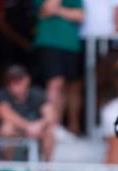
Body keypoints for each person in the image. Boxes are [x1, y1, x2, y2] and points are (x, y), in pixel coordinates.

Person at [33, 0, 84, 135]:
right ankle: (53, 126)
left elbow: (81, 15)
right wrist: (66, 11)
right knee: (55, 82)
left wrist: (59, 11)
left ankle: (71, 126)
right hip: (50, 42)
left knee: (72, 86)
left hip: (72, 45)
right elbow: (47, 8)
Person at [0, 65, 57, 161]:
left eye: (18, 81)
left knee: (50, 130)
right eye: (11, 81)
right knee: (7, 127)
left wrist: (39, 125)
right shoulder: (3, 94)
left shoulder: (37, 94)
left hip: (37, 131)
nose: (14, 85)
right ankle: (7, 169)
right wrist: (27, 126)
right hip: (17, 131)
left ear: (27, 80)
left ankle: (47, 169)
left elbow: (50, 115)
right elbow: (4, 112)